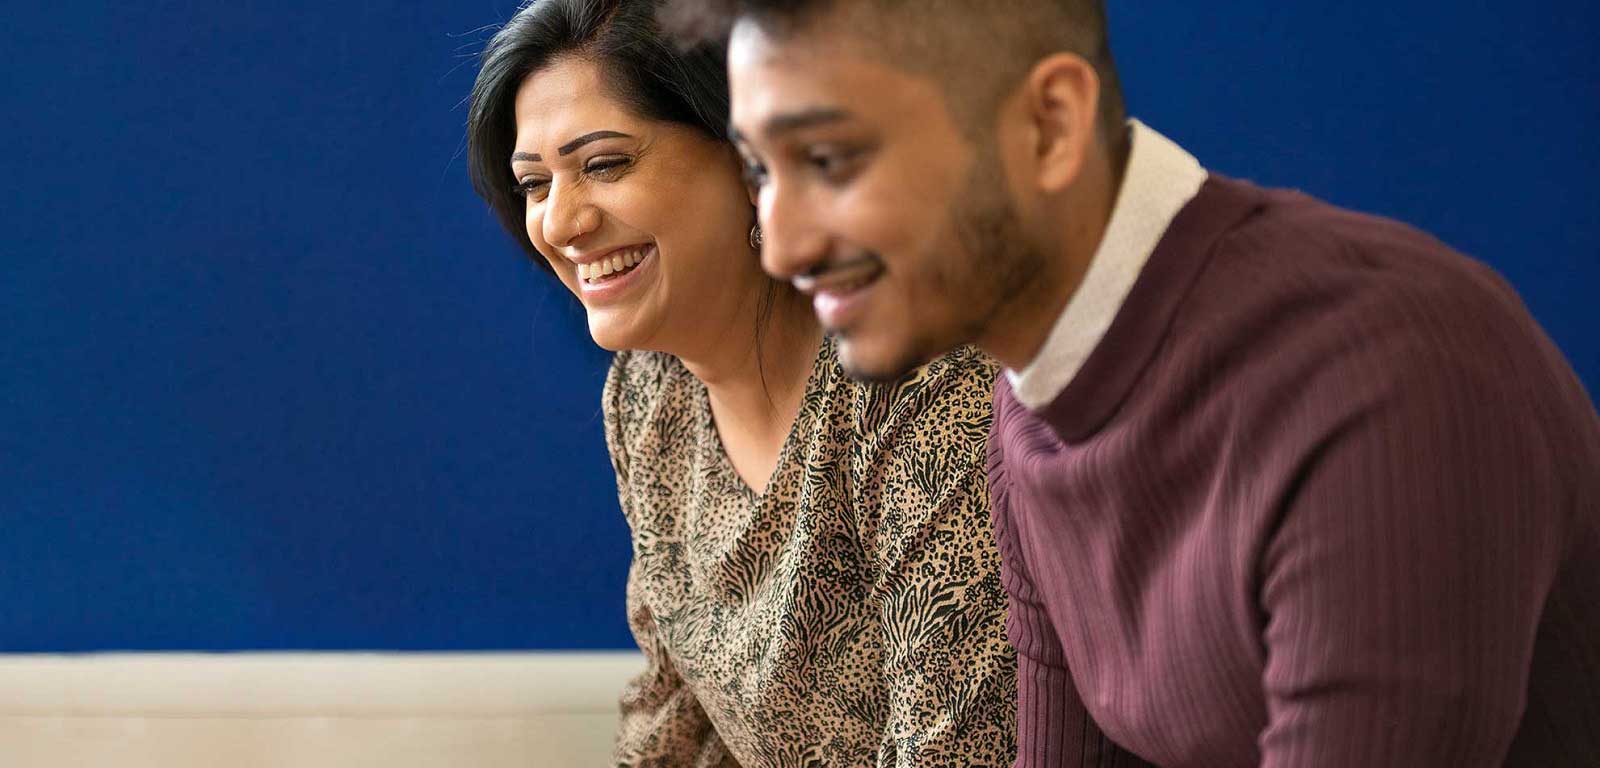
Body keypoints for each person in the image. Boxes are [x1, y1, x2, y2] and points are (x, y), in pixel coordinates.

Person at [661, 1, 1600, 765]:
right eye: (759, 171)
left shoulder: (1382, 379)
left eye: (828, 161)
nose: (781, 247)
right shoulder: (1027, 407)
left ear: (1050, 125)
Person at [466, 1, 1018, 765]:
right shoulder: (648, 396)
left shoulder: (921, 382)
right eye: (534, 183)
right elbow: (675, 719)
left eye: (604, 164)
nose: (559, 223)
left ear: (753, 159)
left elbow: (960, 748)